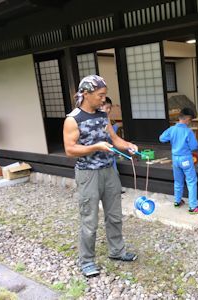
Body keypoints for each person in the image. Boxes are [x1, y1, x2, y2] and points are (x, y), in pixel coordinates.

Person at [63, 75, 138, 277]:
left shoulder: (102, 115)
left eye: (104, 95)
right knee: (89, 219)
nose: (103, 100)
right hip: (88, 174)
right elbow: (70, 150)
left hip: (109, 171)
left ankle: (117, 251)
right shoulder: (73, 119)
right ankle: (87, 261)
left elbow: (114, 139)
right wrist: (95, 147)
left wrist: (128, 145)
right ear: (85, 94)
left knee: (114, 215)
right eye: (100, 95)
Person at [159, 108, 198, 214]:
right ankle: (193, 207)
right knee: (191, 181)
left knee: (178, 181)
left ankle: (177, 201)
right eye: (190, 120)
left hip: (175, 159)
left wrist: (172, 139)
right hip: (186, 159)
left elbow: (161, 138)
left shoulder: (172, 129)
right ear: (187, 119)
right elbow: (194, 146)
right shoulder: (188, 131)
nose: (190, 122)